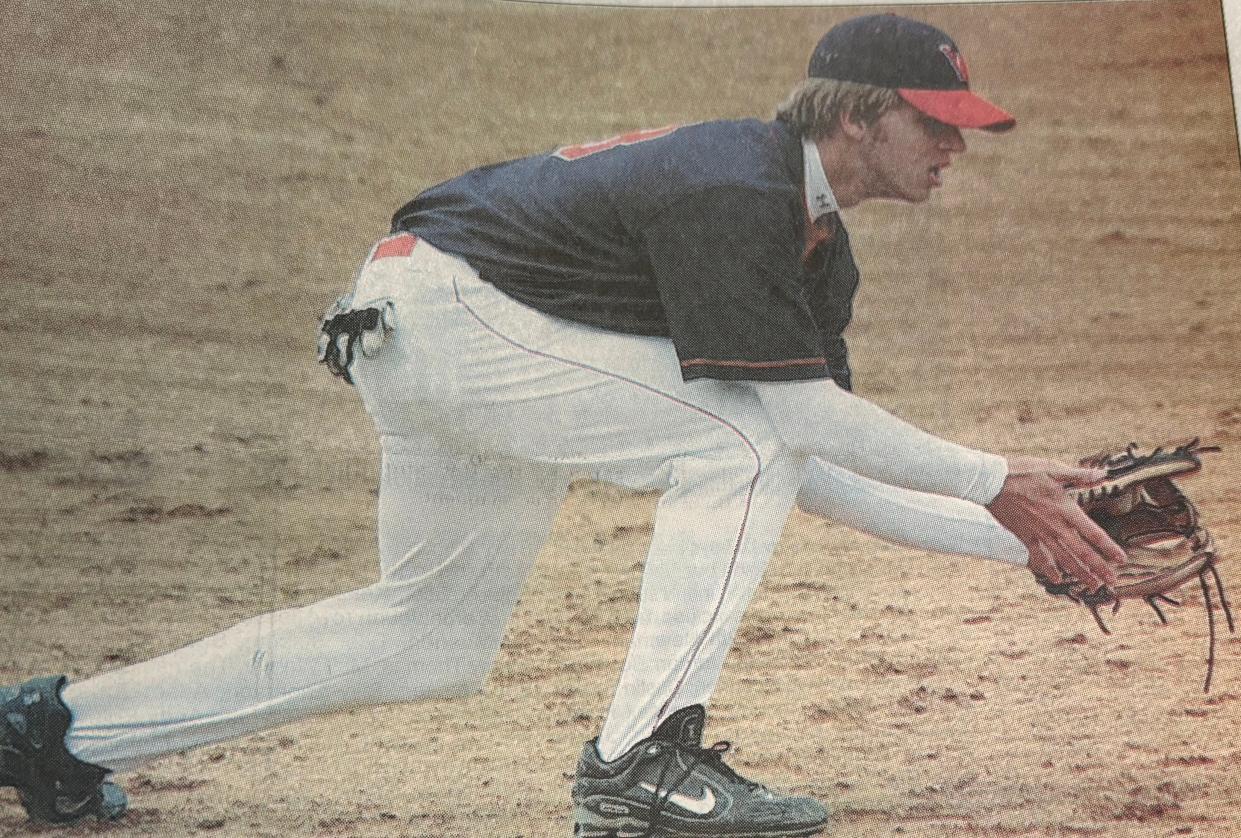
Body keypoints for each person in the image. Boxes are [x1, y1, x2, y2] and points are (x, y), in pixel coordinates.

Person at [1, 14, 1125, 838]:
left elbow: (813, 454)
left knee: (426, 635)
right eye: (932, 122)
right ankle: (640, 758)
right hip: (453, 315)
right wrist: (993, 477)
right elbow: (783, 426)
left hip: (447, 332)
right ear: (849, 115)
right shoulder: (740, 187)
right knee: (731, 440)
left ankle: (57, 729)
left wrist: (1020, 533)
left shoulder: (814, 240)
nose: (953, 148)